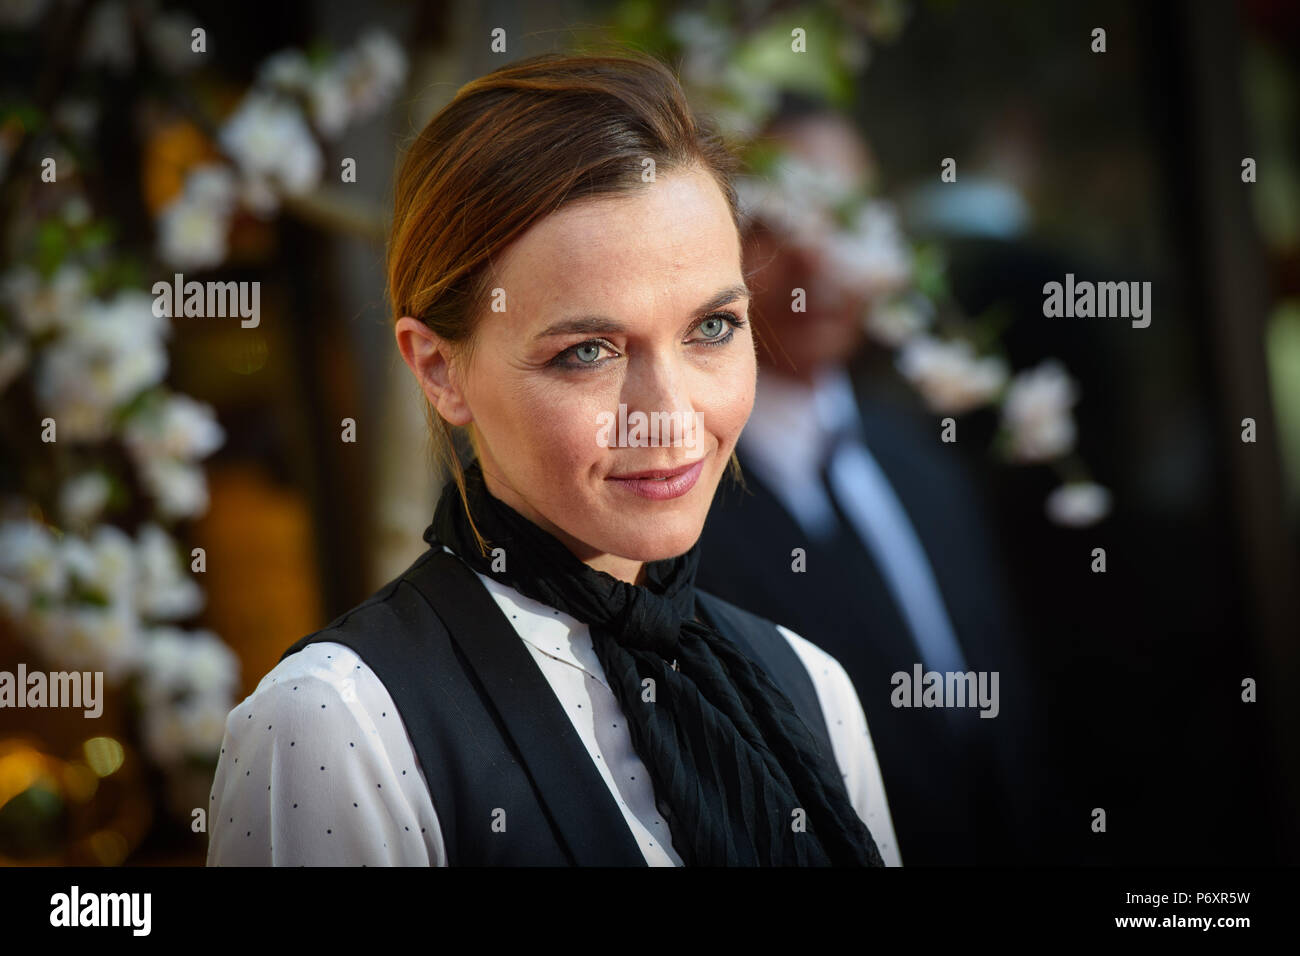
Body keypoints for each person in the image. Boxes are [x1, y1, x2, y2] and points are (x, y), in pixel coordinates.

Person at [206, 51, 902, 867]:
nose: (670, 417)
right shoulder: (337, 723)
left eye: (711, 328)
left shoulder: (812, 692)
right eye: (589, 352)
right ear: (439, 370)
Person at [696, 96, 1048, 865]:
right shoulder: (676, 506)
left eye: (841, 219)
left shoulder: (922, 462)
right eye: (774, 223)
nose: (814, 260)